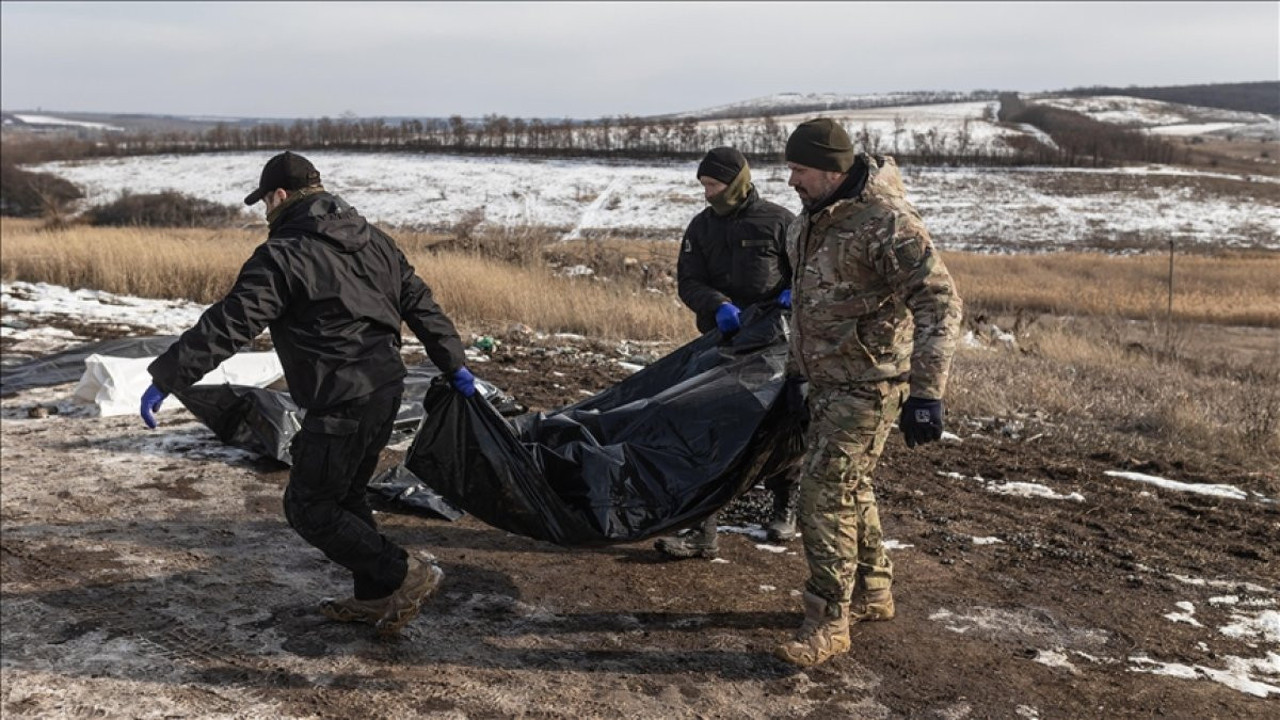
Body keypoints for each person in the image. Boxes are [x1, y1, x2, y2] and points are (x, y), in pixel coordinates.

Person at [138, 151, 477, 638]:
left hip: (340, 398)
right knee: (345, 496)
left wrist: (168, 375)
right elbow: (422, 305)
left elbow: (232, 322)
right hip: (385, 388)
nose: (265, 214)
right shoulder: (375, 240)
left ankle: (403, 574)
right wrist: (454, 363)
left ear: (278, 196)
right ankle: (375, 598)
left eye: (264, 203)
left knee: (309, 506)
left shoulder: (283, 254)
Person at [772, 119, 962, 667]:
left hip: (872, 384)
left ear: (832, 170)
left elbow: (940, 305)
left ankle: (827, 620)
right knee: (849, 486)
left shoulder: (887, 225)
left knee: (822, 493)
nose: (790, 180)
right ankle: (873, 591)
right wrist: (795, 374)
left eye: (800, 169)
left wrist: (927, 393)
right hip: (825, 382)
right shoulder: (810, 221)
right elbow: (807, 305)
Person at [655, 146, 799, 559]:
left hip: (775, 345)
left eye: (714, 185)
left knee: (779, 426)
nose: (707, 194)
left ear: (736, 183)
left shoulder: (779, 222)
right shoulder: (700, 229)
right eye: (703, 186)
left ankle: (784, 507)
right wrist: (716, 304)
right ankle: (701, 529)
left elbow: (807, 271)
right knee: (707, 429)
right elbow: (689, 281)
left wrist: (793, 294)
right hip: (722, 343)